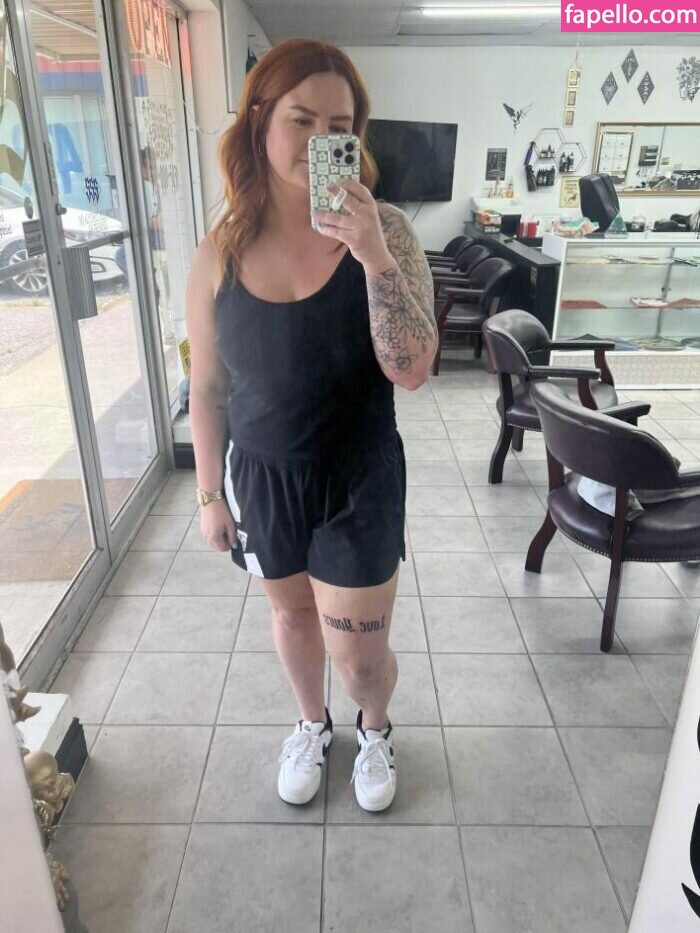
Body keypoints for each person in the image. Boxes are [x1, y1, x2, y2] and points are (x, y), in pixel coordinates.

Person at [185, 38, 437, 813]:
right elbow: (207, 387)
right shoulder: (220, 252)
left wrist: (373, 258)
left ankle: (373, 723)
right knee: (291, 614)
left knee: (359, 658)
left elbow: (412, 368)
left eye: (340, 126)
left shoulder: (387, 231)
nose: (322, 140)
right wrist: (209, 493)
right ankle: (311, 723)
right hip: (263, 476)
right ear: (260, 121)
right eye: (302, 119)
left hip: (360, 476)